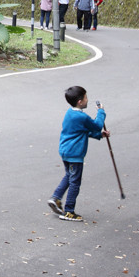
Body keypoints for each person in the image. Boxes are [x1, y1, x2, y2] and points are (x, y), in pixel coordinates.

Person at [47, 85, 108, 222]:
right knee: (75, 181)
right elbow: (97, 125)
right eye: (86, 98)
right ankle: (69, 211)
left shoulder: (70, 113)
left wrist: (100, 135)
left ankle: (56, 198)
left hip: (65, 150)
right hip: (75, 154)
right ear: (80, 101)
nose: (87, 100)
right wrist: (101, 112)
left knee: (69, 175)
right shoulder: (82, 117)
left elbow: (82, 131)